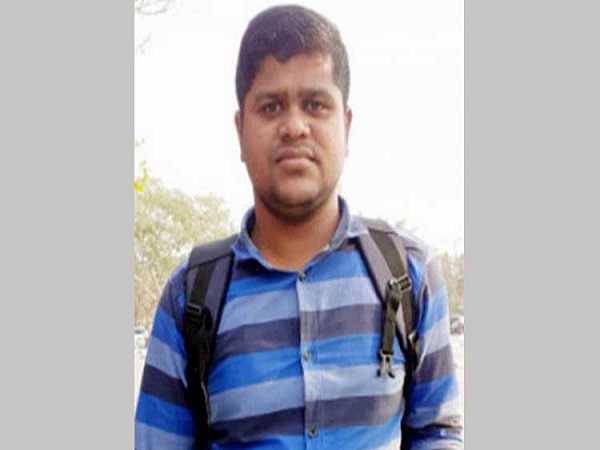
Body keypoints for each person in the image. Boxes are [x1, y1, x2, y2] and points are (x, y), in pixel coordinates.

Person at [135, 4, 463, 449]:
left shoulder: (408, 275)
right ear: (240, 131)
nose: (294, 127)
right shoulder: (190, 297)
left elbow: (436, 431)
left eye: (315, 105)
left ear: (346, 125)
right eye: (271, 106)